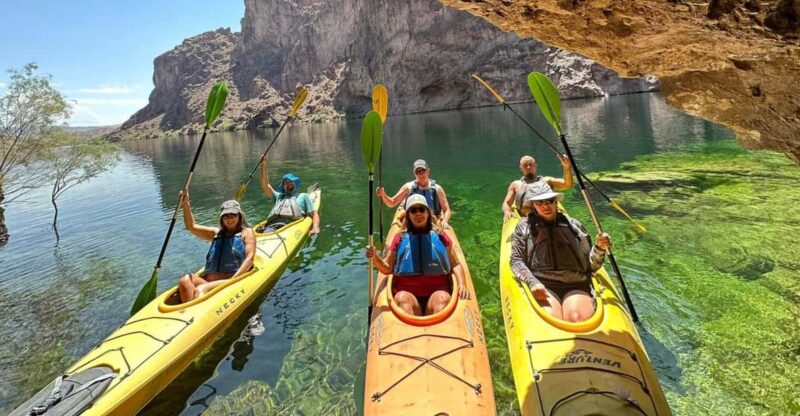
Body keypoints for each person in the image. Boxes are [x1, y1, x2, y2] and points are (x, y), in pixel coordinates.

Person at [509, 182, 612, 322]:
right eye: (539, 202)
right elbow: (516, 261)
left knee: (576, 317)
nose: (545, 205)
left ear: (555, 202)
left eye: (549, 201)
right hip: (543, 284)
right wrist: (532, 282)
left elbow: (591, 267)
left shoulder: (574, 226)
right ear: (533, 205)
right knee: (550, 318)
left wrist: (599, 248)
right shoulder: (524, 228)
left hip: (576, 283)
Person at [365, 194, 469, 316]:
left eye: (421, 209)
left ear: (427, 213)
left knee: (442, 299)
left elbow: (455, 264)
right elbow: (387, 268)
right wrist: (375, 257)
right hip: (407, 293)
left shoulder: (440, 236)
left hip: (437, 290)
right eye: (413, 210)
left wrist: (462, 284)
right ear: (408, 215)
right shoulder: (400, 238)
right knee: (402, 299)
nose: (418, 213)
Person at [178, 190, 257, 303]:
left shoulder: (246, 233)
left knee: (201, 290)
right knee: (185, 280)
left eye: (233, 215)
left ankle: (194, 310)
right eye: (225, 216)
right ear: (221, 218)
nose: (229, 219)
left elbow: (250, 258)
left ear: (239, 216)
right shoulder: (216, 233)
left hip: (230, 280)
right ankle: (187, 310)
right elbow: (191, 226)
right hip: (211, 282)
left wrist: (233, 280)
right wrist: (186, 204)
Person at [376, 159, 452, 229]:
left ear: (428, 171)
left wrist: (445, 221)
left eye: (423, 171)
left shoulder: (437, 189)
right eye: (417, 172)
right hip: (412, 222)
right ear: (414, 173)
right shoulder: (408, 187)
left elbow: (447, 209)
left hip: (433, 222)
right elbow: (392, 203)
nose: (420, 175)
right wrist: (383, 194)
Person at [259, 155, 320, 234]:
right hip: (273, 225)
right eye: (286, 182)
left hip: (292, 226)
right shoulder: (278, 196)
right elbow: (265, 185)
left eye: (291, 181)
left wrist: (315, 227)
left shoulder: (303, 196)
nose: (289, 183)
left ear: (295, 184)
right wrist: (263, 164)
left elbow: (314, 214)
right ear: (283, 186)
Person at [502, 154, 573, 221]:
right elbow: (507, 203)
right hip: (528, 218)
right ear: (521, 167)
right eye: (525, 165)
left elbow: (567, 184)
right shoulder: (516, 184)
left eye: (531, 165)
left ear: (535, 166)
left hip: (550, 215)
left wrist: (566, 167)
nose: (528, 167)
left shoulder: (547, 180)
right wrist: (507, 211)